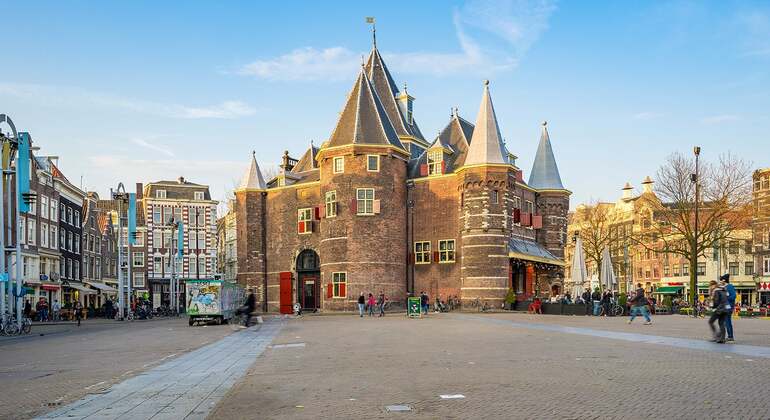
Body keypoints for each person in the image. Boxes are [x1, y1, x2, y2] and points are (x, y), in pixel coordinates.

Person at [721, 274, 736, 342]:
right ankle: (729, 336)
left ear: (724, 280)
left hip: (728, 307)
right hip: (725, 307)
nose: (720, 281)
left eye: (721, 280)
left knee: (727, 322)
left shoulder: (730, 286)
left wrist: (726, 297)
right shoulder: (724, 287)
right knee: (725, 322)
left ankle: (730, 336)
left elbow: (733, 296)